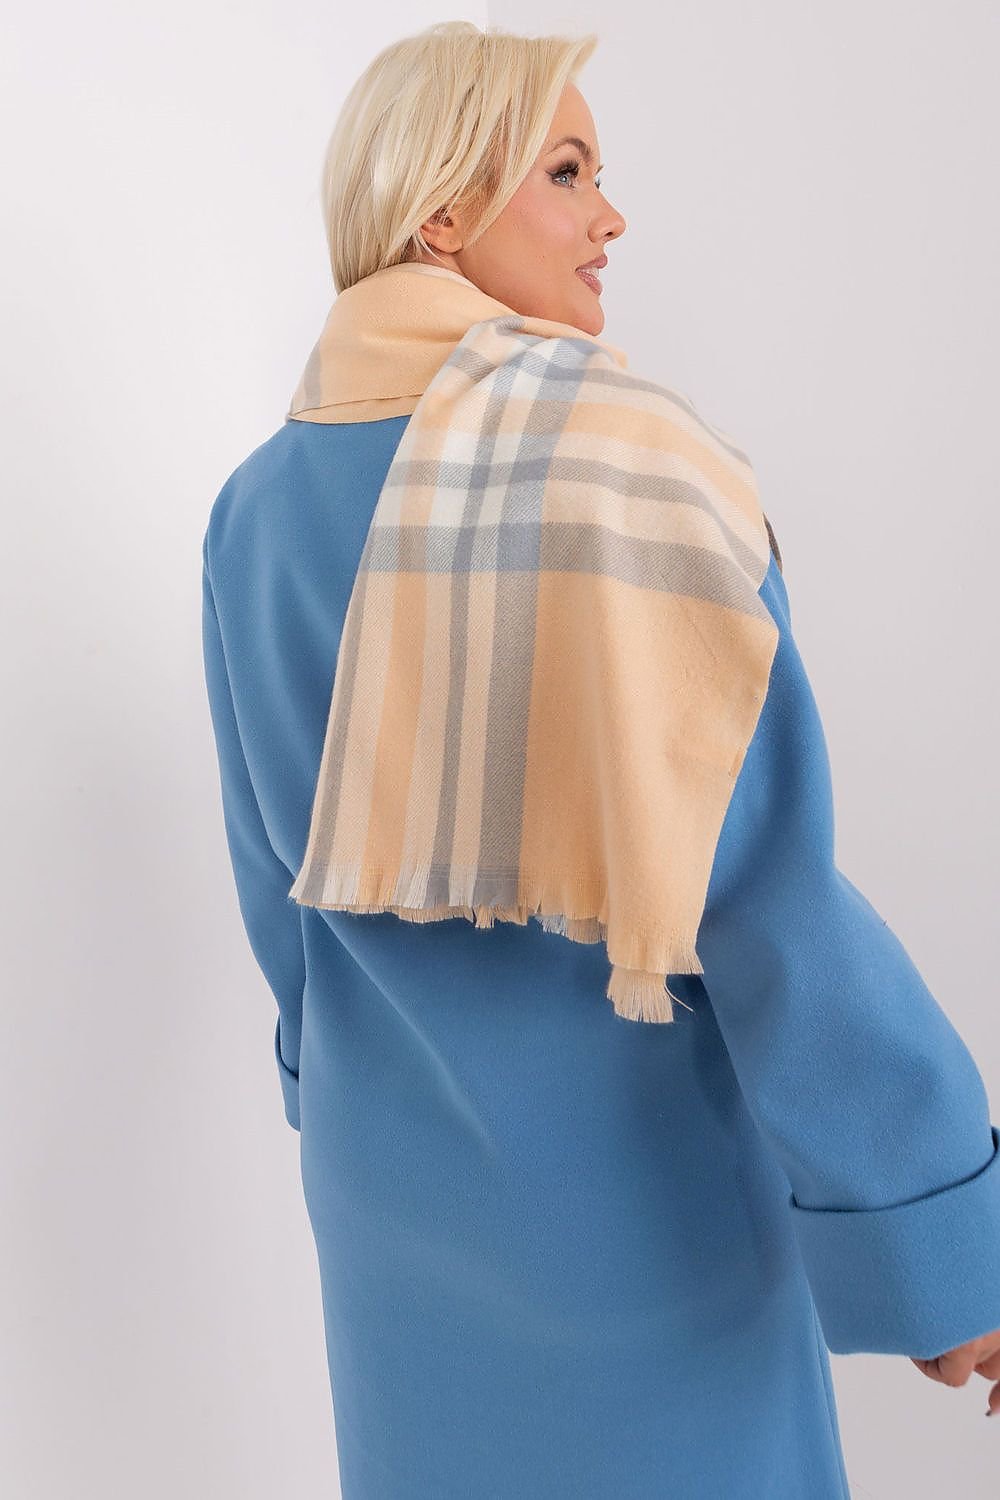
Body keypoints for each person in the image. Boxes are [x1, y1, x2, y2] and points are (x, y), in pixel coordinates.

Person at [200, 20, 1000, 1498]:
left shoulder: (254, 509)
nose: (611, 216)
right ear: (443, 209)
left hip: (393, 1221)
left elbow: (281, 904)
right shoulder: (629, 469)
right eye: (567, 171)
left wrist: (356, 1104)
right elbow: (763, 899)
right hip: (644, 1225)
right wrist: (941, 1240)